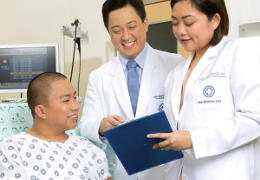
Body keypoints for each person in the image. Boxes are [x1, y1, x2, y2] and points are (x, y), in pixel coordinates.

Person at [147, 0, 260, 180]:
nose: (180, 31)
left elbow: (254, 119)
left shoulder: (239, 52)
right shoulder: (175, 74)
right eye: (175, 23)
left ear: (214, 20)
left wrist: (194, 139)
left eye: (189, 22)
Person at [78, 0, 184, 179]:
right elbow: (85, 124)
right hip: (121, 171)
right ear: (109, 33)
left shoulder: (176, 64)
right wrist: (101, 126)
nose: (126, 36)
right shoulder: (99, 76)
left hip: (165, 170)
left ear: (145, 24)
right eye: (117, 31)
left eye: (132, 26)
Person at [0, 72, 112, 180]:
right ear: (41, 111)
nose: (76, 106)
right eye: (66, 100)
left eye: (75, 98)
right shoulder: (13, 150)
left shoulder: (91, 151)